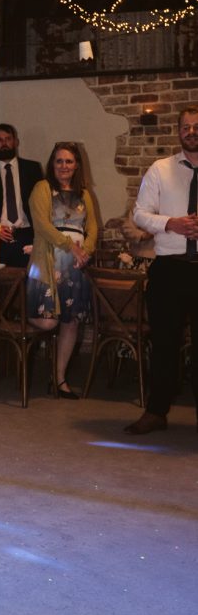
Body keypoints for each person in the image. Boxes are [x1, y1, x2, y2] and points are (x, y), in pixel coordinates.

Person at [126, 107, 198, 435]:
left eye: (196, 126)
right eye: (186, 127)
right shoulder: (160, 169)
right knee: (164, 344)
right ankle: (156, 412)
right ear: (178, 131)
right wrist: (171, 223)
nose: (191, 132)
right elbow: (140, 214)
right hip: (169, 269)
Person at [26, 142, 98, 399]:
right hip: (48, 261)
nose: (64, 166)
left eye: (69, 161)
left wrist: (85, 251)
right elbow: (42, 225)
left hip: (76, 265)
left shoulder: (84, 194)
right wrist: (71, 248)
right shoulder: (42, 188)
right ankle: (21, 313)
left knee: (71, 322)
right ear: (52, 164)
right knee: (48, 320)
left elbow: (93, 228)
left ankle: (59, 379)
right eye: (59, 161)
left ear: (76, 165)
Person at [0, 123, 43, 267]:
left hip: (27, 235)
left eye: (8, 139)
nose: (4, 143)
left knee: (29, 277)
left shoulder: (32, 169)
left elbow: (43, 203)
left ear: (16, 142)